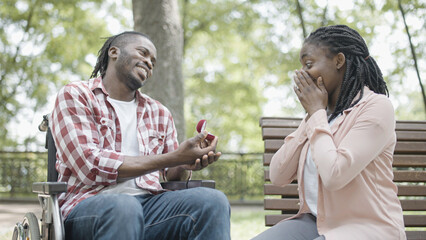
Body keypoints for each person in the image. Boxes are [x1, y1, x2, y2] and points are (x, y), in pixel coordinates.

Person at [49, 31, 231, 240]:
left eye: (153, 61)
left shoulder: (159, 112)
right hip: (88, 206)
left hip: (149, 206)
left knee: (212, 201)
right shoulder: (76, 95)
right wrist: (175, 157)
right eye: (143, 53)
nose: (149, 63)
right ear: (114, 52)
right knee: (124, 206)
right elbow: (89, 166)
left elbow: (171, 175)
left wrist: (186, 162)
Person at [252, 25, 405, 240]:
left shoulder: (377, 107)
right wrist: (312, 116)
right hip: (316, 222)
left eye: (309, 64)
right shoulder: (321, 116)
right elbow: (278, 175)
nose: (301, 74)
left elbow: (334, 175)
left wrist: (315, 113)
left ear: (339, 61)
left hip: (368, 227)